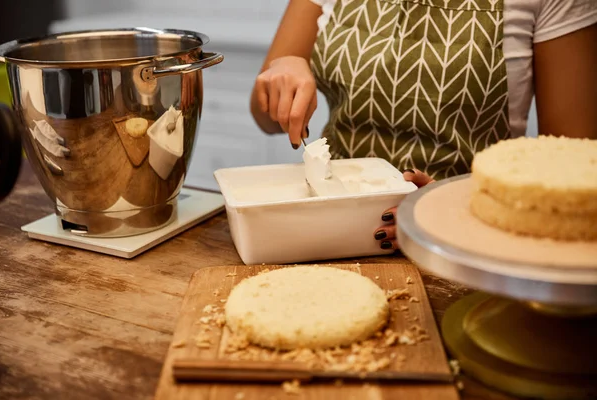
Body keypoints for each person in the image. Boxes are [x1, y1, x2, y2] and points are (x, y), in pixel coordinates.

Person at [250, 0, 597, 250]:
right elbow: (264, 117)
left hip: (471, 244)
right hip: (332, 228)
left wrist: (448, 209)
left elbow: (575, 171)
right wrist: (284, 68)